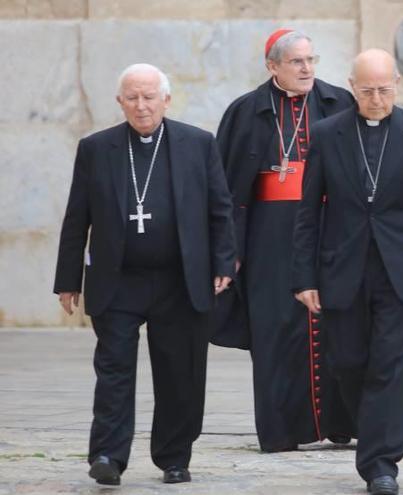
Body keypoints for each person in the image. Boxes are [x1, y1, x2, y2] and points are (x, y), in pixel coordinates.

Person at [53, 63, 235, 485]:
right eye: (132, 97)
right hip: (118, 281)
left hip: (179, 280)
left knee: (179, 371)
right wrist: (67, 279)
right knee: (114, 369)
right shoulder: (97, 148)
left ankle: (174, 456)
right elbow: (76, 217)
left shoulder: (197, 143)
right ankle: (107, 455)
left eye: (149, 96)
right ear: (120, 102)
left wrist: (224, 263)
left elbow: (220, 209)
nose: (141, 105)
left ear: (166, 100)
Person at [291, 49, 403, 495]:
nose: (377, 99)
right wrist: (304, 277)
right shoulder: (327, 134)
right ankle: (373, 438)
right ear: (352, 87)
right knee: (348, 362)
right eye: (367, 91)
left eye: (384, 90)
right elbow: (308, 211)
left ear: (397, 85)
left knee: (391, 365)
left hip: (400, 269)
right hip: (341, 268)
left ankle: (381, 463)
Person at [210, 28, 355, 452]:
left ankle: (340, 422)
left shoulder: (337, 104)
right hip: (267, 241)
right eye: (297, 61)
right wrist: (228, 249)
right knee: (274, 332)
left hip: (327, 232)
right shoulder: (246, 111)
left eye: (311, 60)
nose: (307, 68)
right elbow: (222, 188)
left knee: (334, 330)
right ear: (273, 66)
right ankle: (280, 431)